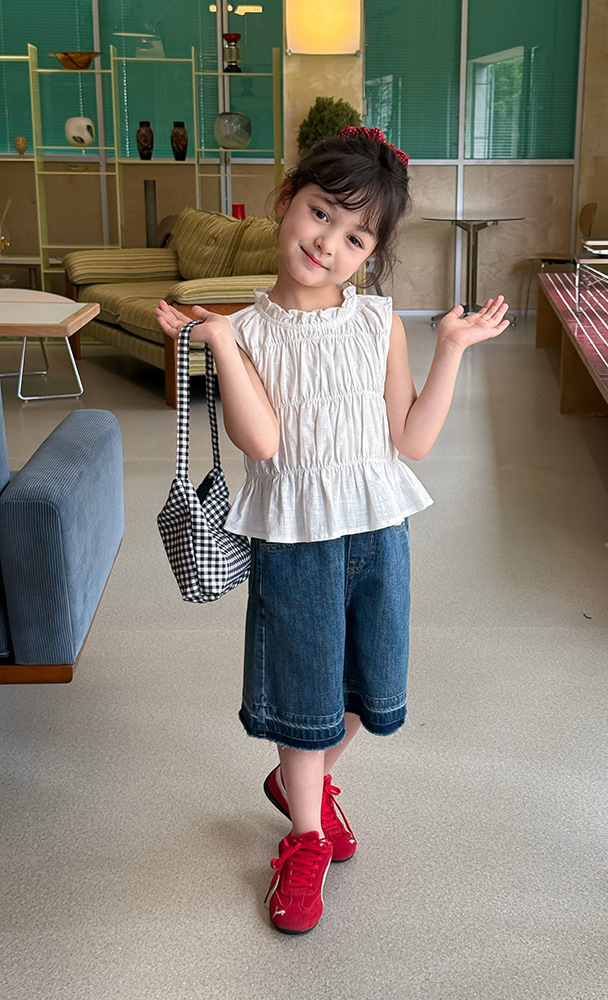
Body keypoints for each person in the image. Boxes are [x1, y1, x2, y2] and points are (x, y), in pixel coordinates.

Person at [155, 127, 509, 935]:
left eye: (356, 236)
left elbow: (411, 440)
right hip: (295, 539)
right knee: (305, 691)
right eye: (321, 213)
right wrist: (220, 342)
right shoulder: (247, 330)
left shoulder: (380, 322)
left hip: (379, 533)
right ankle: (306, 834)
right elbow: (262, 443)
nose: (329, 243)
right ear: (287, 201)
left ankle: (297, 783)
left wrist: (453, 347)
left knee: (369, 687)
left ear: (372, 253)